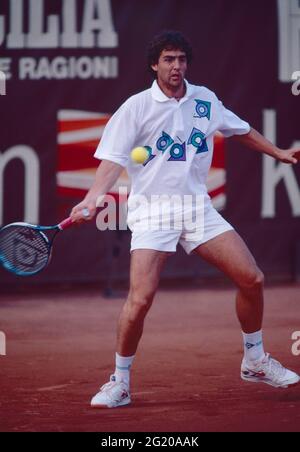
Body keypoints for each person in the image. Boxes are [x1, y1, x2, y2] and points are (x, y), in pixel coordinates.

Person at [71, 31, 300, 408]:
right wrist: (93, 198)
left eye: (181, 59)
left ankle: (255, 359)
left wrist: (278, 153)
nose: (176, 66)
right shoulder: (136, 107)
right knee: (140, 300)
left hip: (197, 209)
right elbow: (112, 160)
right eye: (168, 59)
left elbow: (240, 130)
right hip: (153, 213)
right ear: (154, 64)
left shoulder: (204, 100)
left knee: (252, 277)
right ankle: (120, 381)